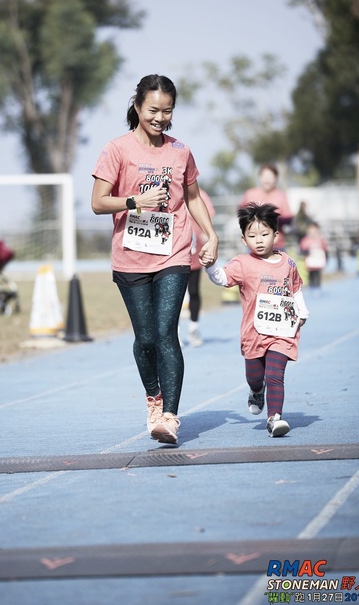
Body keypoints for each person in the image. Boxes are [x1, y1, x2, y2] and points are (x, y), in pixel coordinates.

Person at [91, 73, 218, 445]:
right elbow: (98, 202)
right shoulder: (117, 150)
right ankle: (154, 398)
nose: (160, 117)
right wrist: (134, 201)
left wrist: (210, 234)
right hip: (130, 258)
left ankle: (170, 416)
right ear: (137, 107)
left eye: (167, 111)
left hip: (174, 253)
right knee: (145, 338)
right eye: (153, 110)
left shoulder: (181, 151)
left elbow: (192, 198)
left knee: (166, 333)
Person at [205, 202, 309, 437]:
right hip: (254, 333)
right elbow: (222, 278)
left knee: (274, 374)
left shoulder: (288, 263)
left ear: (276, 235)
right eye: (252, 236)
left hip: (282, 332)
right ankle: (255, 390)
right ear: (244, 239)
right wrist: (210, 265)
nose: (259, 240)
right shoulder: (243, 263)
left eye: (264, 234)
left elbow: (296, 289)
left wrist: (302, 312)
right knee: (255, 376)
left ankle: (274, 418)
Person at [185, 187, 216, 347]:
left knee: (194, 291)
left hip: (195, 250)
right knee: (171, 295)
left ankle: (193, 328)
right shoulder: (167, 190)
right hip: (172, 252)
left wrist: (207, 233)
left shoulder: (200, 193)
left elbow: (208, 216)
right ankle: (173, 332)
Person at [239, 163, 293, 251]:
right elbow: (241, 213)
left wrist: (269, 219)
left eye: (270, 176)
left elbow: (288, 218)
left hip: (276, 245)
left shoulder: (281, 196)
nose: (267, 179)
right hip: (254, 244)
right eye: (264, 176)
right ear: (260, 177)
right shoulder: (250, 194)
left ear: (276, 178)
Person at [299, 221, 328, 294]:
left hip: (318, 260)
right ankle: (312, 286)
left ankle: (317, 286)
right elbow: (302, 248)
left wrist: (326, 257)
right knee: (311, 273)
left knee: (317, 273)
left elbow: (324, 248)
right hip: (310, 260)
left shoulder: (320, 239)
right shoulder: (306, 240)